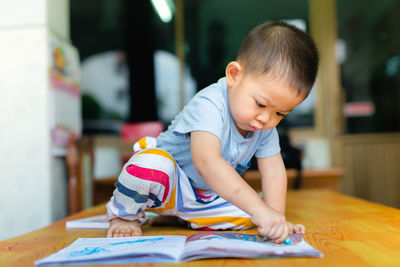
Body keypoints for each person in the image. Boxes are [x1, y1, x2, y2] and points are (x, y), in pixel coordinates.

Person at [106, 21, 319, 243]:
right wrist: (261, 211)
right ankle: (124, 215)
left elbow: (274, 170)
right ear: (234, 75)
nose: (266, 119)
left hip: (207, 197)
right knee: (149, 165)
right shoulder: (209, 104)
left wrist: (276, 219)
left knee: (252, 215)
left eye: (280, 114)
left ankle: (181, 218)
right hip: (167, 187)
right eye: (260, 104)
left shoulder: (263, 124)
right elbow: (207, 163)